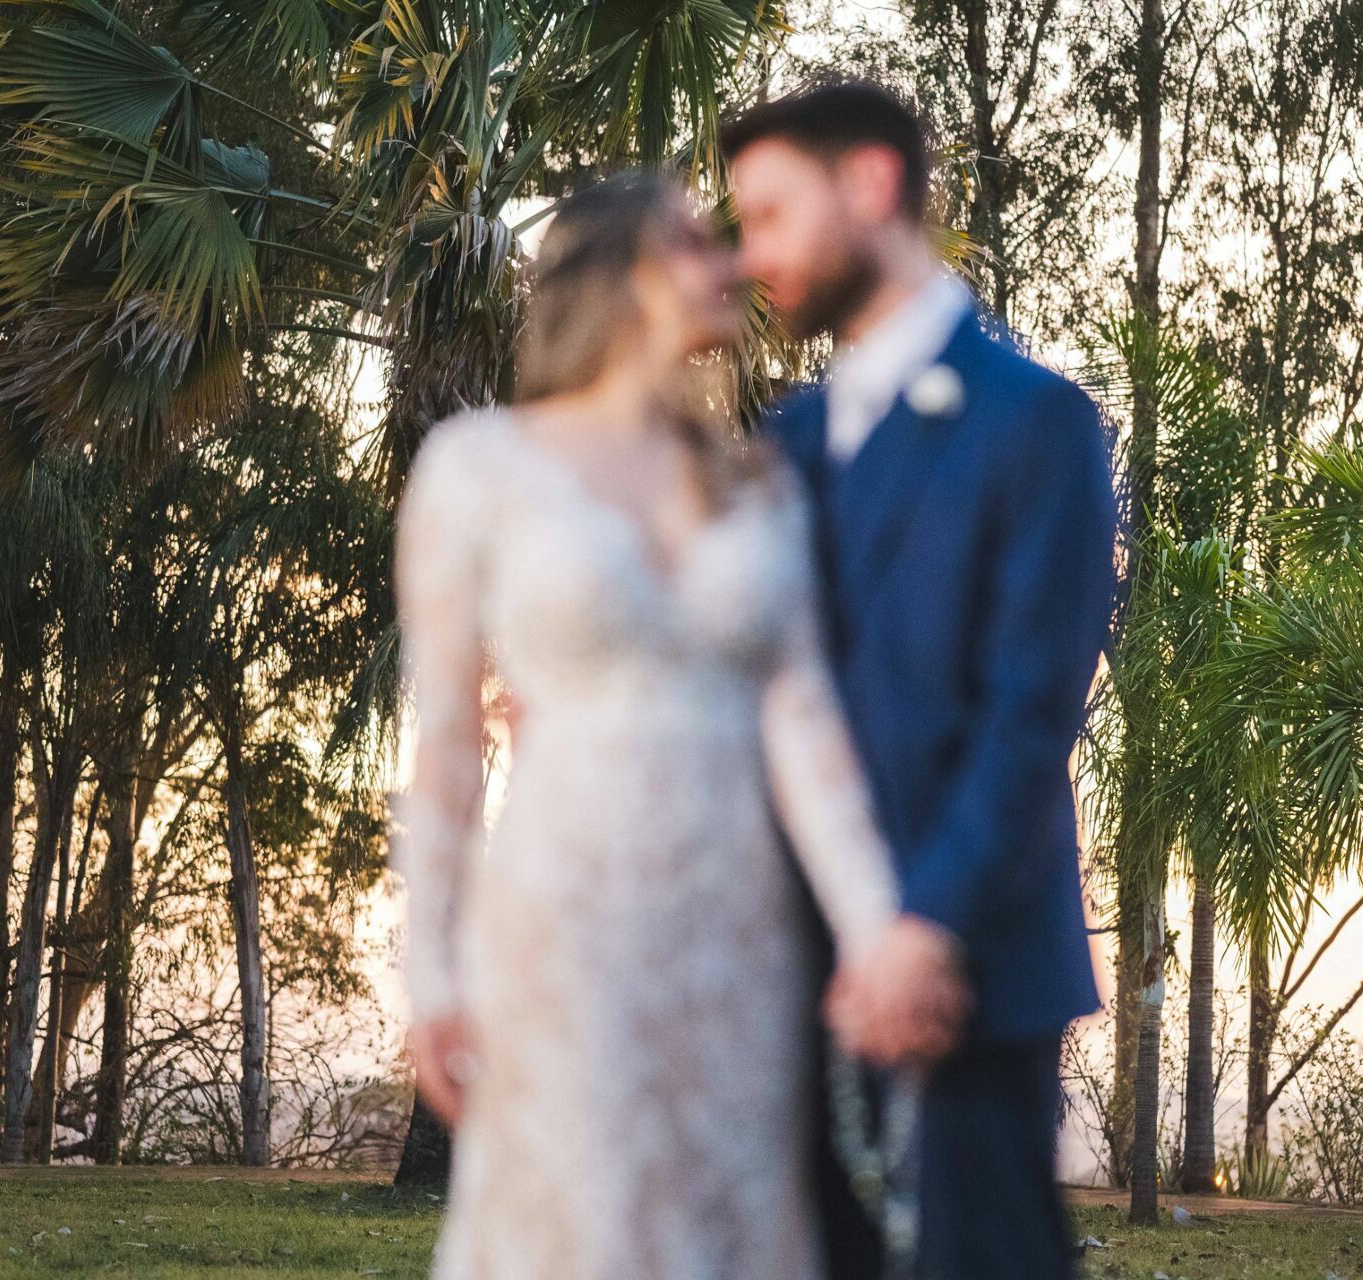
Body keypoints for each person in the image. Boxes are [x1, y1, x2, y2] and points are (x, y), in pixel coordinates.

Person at [392, 172, 966, 1280]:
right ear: (624, 278)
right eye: (700, 246)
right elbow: (447, 754)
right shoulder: (477, 466)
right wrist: (431, 976)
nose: (734, 267)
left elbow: (807, 735)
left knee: (733, 1226)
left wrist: (873, 928)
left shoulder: (758, 484)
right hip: (561, 923)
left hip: (739, 936)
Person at [725, 81, 1118, 1280]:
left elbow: (1029, 710)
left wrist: (921, 927)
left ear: (872, 187)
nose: (754, 256)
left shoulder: (1039, 421)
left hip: (971, 968)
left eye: (773, 214)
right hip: (792, 974)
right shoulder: (782, 442)